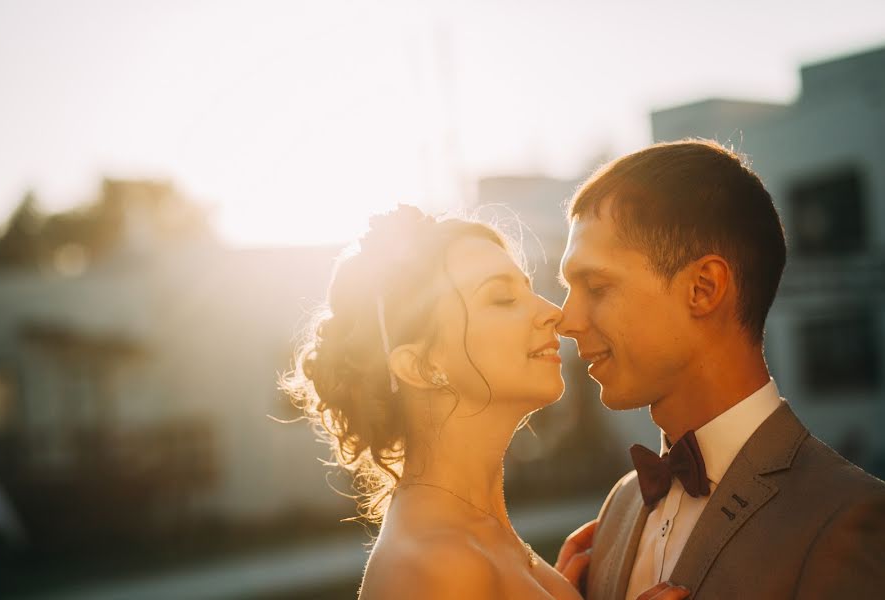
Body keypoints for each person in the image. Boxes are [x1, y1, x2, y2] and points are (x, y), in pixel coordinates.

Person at [283, 206, 688, 599]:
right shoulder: (433, 569)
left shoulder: (477, 538)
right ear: (420, 366)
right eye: (502, 299)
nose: (553, 313)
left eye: (528, 290)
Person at [554, 140, 885, 599]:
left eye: (595, 285)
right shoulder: (621, 505)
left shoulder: (846, 517)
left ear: (703, 288)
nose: (566, 321)